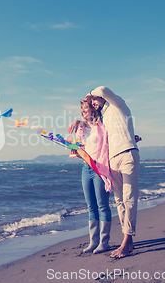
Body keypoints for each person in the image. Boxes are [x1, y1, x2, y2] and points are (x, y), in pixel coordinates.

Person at [69, 86, 140, 259]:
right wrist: (77, 147)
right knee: (113, 202)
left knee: (122, 199)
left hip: (117, 159)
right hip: (101, 163)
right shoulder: (94, 123)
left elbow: (103, 91)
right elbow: (93, 144)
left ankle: (118, 240)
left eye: (93, 101)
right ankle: (103, 240)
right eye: (86, 106)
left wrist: (91, 94)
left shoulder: (115, 108)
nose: (90, 105)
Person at [72, 99, 112, 254]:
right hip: (86, 168)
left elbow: (113, 139)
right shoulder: (81, 128)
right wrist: (76, 151)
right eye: (81, 109)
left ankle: (104, 242)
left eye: (85, 108)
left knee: (102, 205)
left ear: (93, 109)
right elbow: (80, 147)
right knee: (91, 206)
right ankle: (93, 241)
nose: (83, 112)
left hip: (100, 168)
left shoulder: (103, 125)